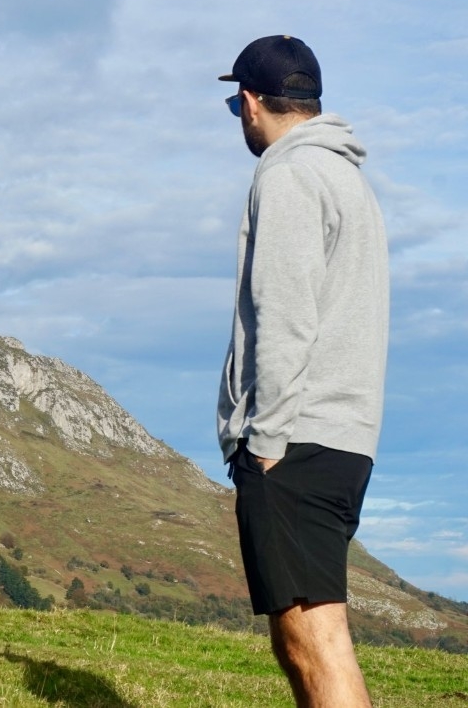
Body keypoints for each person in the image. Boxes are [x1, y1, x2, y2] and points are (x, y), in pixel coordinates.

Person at [216, 35, 389, 707]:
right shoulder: (349, 179)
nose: (239, 114)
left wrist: (264, 443)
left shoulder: (288, 176)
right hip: (342, 437)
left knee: (313, 639)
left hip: (296, 441)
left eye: (236, 101)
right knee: (308, 635)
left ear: (253, 102)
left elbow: (284, 313)